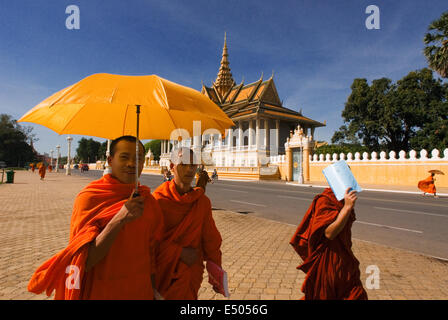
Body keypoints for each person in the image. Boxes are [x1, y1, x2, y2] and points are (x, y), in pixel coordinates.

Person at [28, 136, 164, 300]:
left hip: (139, 290)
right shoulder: (90, 198)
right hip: (102, 290)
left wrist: (153, 290)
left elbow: (151, 254)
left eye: (138, 158)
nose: (132, 164)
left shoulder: (147, 201)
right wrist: (119, 219)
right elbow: (83, 260)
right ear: (109, 160)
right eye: (124, 157)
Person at [153, 147, 222, 300]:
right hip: (163, 276)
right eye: (183, 164)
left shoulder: (202, 202)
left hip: (190, 274)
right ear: (172, 167)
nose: (190, 169)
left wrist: (216, 271)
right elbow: (148, 244)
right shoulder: (158, 201)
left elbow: (211, 240)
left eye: (193, 164)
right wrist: (179, 252)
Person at [290, 187, 368, 300]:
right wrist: (347, 208)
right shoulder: (325, 200)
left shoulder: (343, 198)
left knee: (356, 294)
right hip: (329, 260)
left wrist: (347, 205)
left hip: (346, 258)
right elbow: (329, 233)